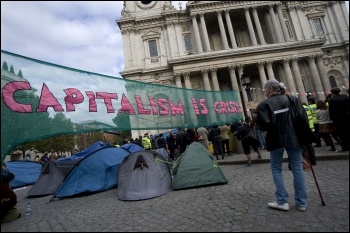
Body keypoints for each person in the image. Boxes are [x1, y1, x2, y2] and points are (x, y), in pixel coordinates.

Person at [256, 79, 308, 212]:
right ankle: (302, 203)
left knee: (276, 168)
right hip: (294, 137)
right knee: (297, 168)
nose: (265, 93)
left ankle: (282, 201)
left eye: (265, 91)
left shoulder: (263, 105)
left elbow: (263, 126)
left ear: (269, 90)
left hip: (275, 139)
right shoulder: (293, 99)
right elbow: (302, 117)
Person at [328, 87, 349, 152]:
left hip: (339, 118)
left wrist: (333, 119)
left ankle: (345, 146)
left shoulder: (332, 100)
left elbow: (332, 111)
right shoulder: (345, 97)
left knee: (342, 133)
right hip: (348, 116)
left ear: (332, 92)